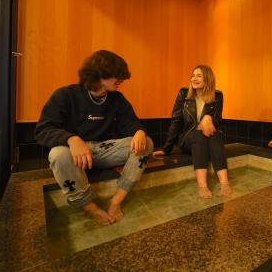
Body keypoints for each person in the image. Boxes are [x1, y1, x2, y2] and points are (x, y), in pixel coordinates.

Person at [35, 50, 153, 226]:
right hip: (74, 155)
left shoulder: (116, 98)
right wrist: (72, 139)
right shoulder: (66, 95)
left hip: (102, 151)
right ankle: (91, 208)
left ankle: (115, 202)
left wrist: (139, 131)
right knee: (58, 154)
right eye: (117, 75)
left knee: (146, 143)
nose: (122, 79)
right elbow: (43, 130)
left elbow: (130, 122)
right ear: (100, 73)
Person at [153, 65, 231, 199]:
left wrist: (209, 117)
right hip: (188, 139)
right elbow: (176, 121)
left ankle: (224, 183)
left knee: (215, 134)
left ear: (207, 79)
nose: (194, 79)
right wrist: (167, 149)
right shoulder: (184, 93)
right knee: (199, 134)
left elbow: (217, 121)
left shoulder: (217, 95)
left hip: (207, 137)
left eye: (199, 76)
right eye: (193, 76)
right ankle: (203, 186)